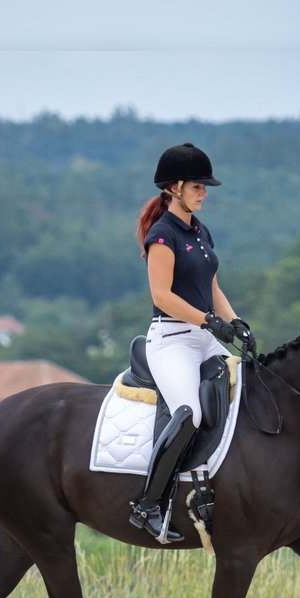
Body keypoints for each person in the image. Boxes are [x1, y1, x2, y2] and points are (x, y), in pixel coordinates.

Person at [128, 142, 256, 543]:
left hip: (204, 336)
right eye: (198, 186)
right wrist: (209, 321)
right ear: (175, 187)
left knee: (247, 394)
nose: (204, 192)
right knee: (190, 414)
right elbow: (162, 296)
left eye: (205, 187)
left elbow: (212, 285)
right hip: (171, 341)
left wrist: (236, 323)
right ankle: (147, 504)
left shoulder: (200, 231)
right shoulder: (162, 237)